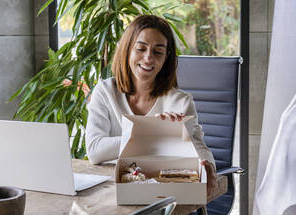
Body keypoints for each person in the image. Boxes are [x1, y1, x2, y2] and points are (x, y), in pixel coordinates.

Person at [85, 15, 217, 194]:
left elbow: (200, 151)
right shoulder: (105, 91)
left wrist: (207, 169)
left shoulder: (179, 102)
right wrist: (150, 133)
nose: (148, 58)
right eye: (141, 48)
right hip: (113, 191)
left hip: (163, 194)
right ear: (127, 49)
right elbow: (95, 151)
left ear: (166, 57)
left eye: (158, 52)